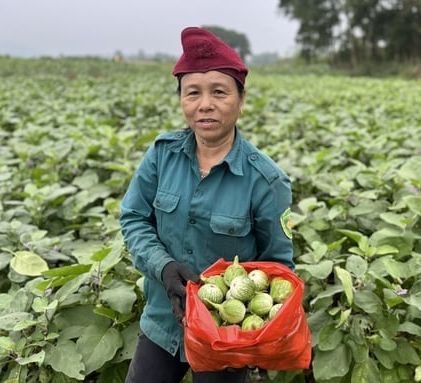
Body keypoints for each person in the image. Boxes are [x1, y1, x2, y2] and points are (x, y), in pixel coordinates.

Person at [119, 26, 295, 383]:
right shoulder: (161, 156)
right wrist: (164, 266)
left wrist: (258, 332)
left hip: (226, 336)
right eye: (193, 93)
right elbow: (134, 219)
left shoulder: (267, 181)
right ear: (182, 100)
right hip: (162, 323)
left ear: (241, 100)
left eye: (219, 92)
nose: (205, 104)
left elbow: (277, 266)